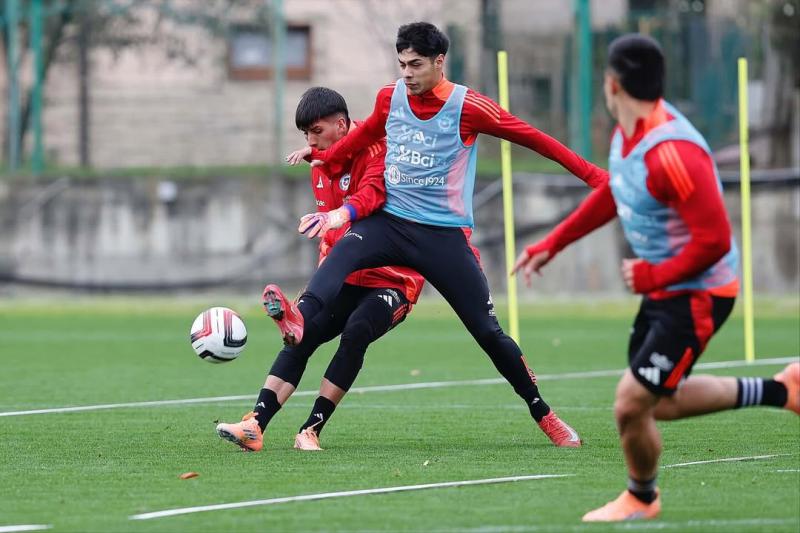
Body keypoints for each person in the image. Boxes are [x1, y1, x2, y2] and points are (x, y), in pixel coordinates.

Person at [272, 22, 611, 447]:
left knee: (488, 333)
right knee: (342, 248)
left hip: (443, 236)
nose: (407, 74)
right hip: (391, 223)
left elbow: (537, 140)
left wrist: (597, 178)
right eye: (401, 64)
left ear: (439, 61)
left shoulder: (468, 107)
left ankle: (544, 413)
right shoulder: (388, 98)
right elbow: (358, 139)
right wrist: (321, 153)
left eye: (415, 64)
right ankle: (299, 316)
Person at [512, 33, 800, 521]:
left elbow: (715, 241)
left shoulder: (674, 151)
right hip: (667, 290)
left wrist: (652, 273)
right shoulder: (628, 134)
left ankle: (641, 497)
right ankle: (784, 390)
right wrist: (551, 243)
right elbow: (615, 193)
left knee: (630, 404)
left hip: (700, 293)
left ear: (612, 84)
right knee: (657, 403)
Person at [216, 87, 424, 452]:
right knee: (301, 333)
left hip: (392, 278)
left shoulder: (380, 152)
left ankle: (310, 429)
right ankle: (255, 425)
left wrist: (337, 216)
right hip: (344, 276)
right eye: (306, 135)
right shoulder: (321, 165)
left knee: (357, 330)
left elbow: (368, 200)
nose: (311, 141)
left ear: (342, 126)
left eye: (316, 132)